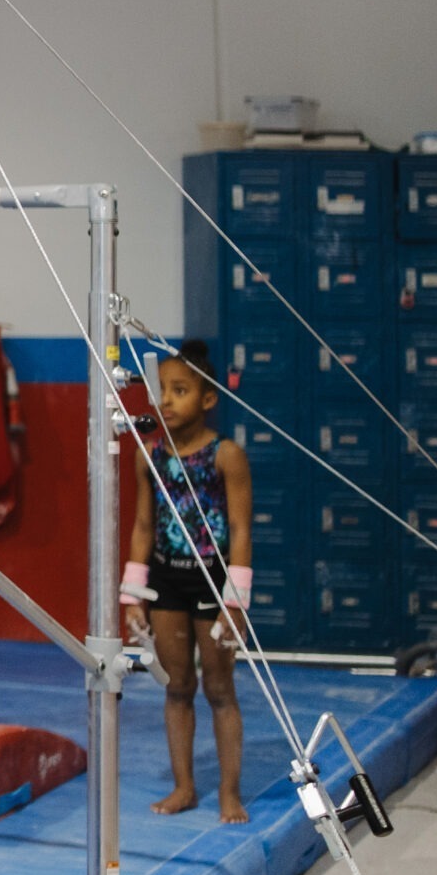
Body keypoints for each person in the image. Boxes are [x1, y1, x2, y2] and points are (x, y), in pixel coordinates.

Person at [120, 342, 253, 822]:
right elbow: (142, 526)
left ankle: (229, 791)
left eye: (181, 391)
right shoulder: (149, 454)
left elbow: (239, 530)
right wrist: (132, 593)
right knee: (177, 687)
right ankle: (184, 787)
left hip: (214, 582)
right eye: (162, 392)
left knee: (220, 689)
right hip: (167, 582)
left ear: (208, 399)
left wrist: (234, 601)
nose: (168, 401)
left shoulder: (226, 455)